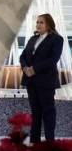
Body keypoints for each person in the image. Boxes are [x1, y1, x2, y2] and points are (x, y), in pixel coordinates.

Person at [20, 13, 63, 143]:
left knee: (48, 112)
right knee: (35, 112)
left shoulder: (56, 39)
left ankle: (50, 143)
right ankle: (34, 141)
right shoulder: (32, 39)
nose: (38, 24)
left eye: (41, 22)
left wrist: (34, 69)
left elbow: (53, 59)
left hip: (46, 81)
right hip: (31, 81)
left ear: (49, 24)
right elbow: (23, 56)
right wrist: (25, 68)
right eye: (37, 22)